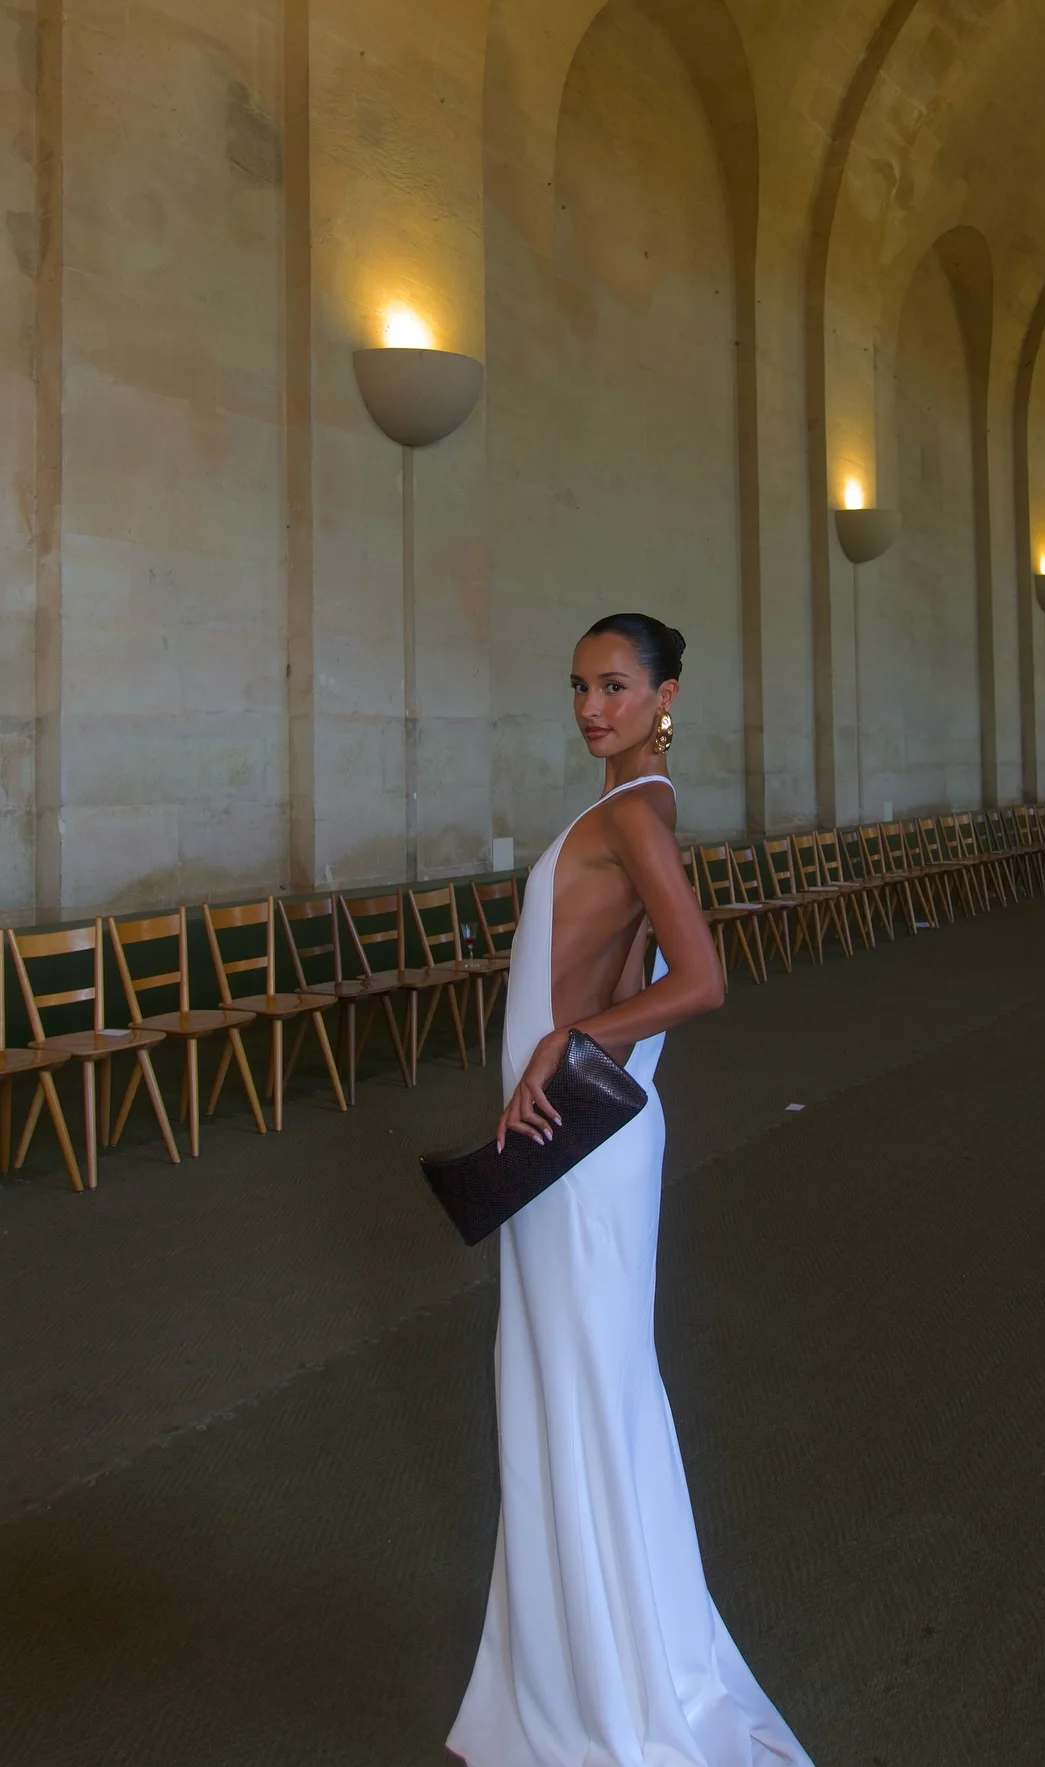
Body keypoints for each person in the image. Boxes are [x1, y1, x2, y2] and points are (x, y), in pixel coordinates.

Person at [447, 614, 813, 1767]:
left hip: (579, 1152)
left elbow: (700, 977)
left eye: (615, 685)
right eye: (578, 686)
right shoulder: (621, 809)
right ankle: (547, 1678)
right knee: (570, 1385)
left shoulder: (633, 812)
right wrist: (570, 1041)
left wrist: (568, 1044)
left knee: (585, 1388)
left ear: (666, 695)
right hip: (569, 1151)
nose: (591, 706)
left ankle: (606, 1697)